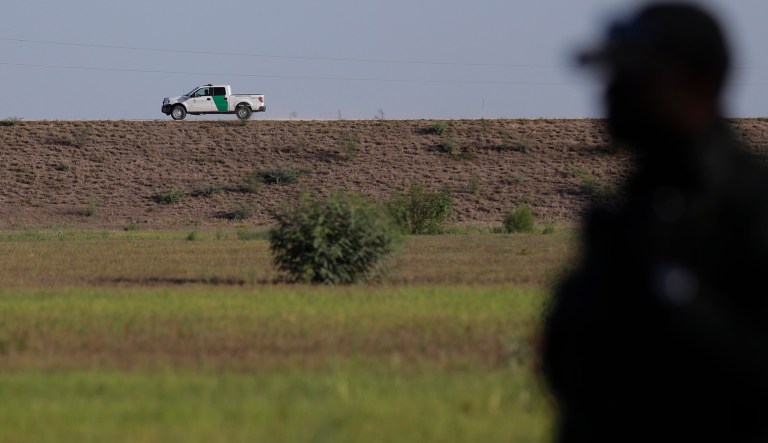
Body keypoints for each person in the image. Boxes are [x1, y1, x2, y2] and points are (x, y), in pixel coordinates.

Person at [540, 3, 768, 442]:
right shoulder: (634, 209)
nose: (616, 93)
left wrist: (674, 295)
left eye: (640, 77)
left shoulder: (749, 209)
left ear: (700, 83)